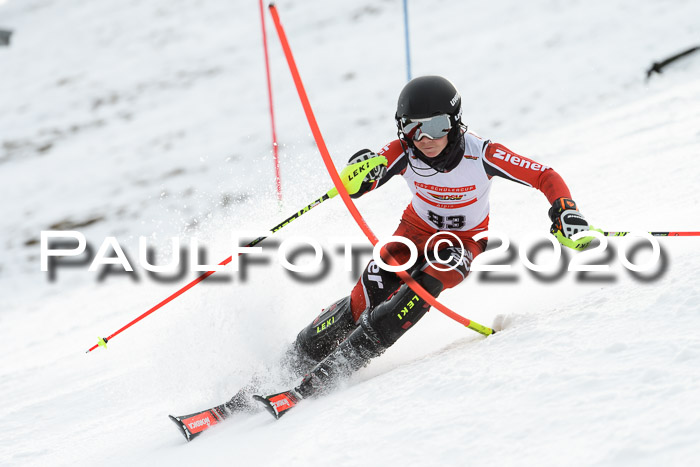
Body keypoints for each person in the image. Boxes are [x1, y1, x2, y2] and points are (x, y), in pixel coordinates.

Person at [251, 75, 592, 418]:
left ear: (455, 123)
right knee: (363, 299)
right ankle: (294, 359)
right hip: (413, 233)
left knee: (427, 283)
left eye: (438, 126)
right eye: (414, 128)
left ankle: (341, 365)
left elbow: (544, 175)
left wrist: (565, 208)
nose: (426, 139)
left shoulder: (483, 153)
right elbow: (366, 175)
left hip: (462, 242)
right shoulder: (405, 152)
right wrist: (361, 171)